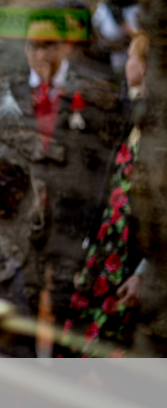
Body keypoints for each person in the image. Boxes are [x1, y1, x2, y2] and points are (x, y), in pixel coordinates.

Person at [0, 13, 121, 356]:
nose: (41, 55)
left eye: (49, 45)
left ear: (66, 47)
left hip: (72, 219)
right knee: (20, 301)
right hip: (22, 220)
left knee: (67, 305)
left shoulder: (93, 93)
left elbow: (103, 160)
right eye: (34, 46)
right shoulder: (7, 93)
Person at [65, 33, 150, 357]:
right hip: (108, 250)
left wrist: (144, 272)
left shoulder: (156, 128)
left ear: (144, 66)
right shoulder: (134, 117)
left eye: (131, 56)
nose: (126, 63)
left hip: (129, 258)